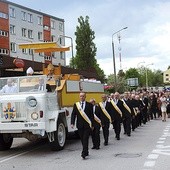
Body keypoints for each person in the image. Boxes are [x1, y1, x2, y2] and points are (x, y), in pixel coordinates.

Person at [71, 92, 94, 159]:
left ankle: (83, 153)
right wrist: (72, 123)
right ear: (79, 97)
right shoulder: (76, 105)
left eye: (83, 96)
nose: (82, 97)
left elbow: (91, 115)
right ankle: (86, 151)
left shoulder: (89, 105)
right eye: (81, 96)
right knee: (82, 139)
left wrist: (92, 124)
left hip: (87, 125)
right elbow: (73, 114)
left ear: (85, 97)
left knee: (85, 138)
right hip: (79, 125)